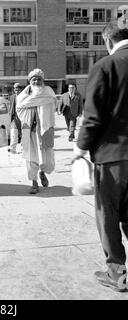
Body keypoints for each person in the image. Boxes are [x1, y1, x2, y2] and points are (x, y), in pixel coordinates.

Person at [72, 21, 128, 292]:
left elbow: (93, 117)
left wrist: (80, 148)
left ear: (108, 41)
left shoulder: (105, 66)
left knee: (108, 214)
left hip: (113, 157)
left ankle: (117, 273)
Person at [16, 68, 57, 194]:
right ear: (29, 81)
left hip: (44, 130)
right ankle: (34, 183)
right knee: (30, 158)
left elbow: (52, 101)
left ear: (43, 80)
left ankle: (42, 172)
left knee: (46, 160)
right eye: (34, 79)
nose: (36, 81)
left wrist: (34, 102)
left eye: (39, 79)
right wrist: (33, 102)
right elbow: (19, 107)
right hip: (29, 130)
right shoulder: (24, 94)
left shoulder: (48, 91)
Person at [8, 83, 22, 153]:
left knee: (24, 134)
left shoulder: (25, 96)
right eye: (15, 88)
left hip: (23, 118)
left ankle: (24, 149)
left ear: (20, 89)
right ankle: (12, 149)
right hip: (14, 118)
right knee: (13, 134)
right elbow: (10, 108)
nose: (16, 89)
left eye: (18, 88)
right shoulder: (11, 97)